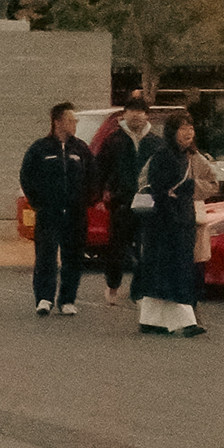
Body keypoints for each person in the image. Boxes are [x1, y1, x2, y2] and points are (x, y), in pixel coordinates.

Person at [20, 102, 93, 315]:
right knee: (46, 256)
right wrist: (39, 202)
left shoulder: (81, 149)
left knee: (73, 256)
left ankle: (67, 300)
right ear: (57, 122)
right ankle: (44, 298)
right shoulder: (39, 149)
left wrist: (85, 200)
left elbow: (93, 175)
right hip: (49, 213)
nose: (74, 124)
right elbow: (27, 176)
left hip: (75, 213)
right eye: (71, 120)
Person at [136, 111, 203, 337]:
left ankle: (150, 320)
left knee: (162, 273)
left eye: (191, 127)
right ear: (172, 132)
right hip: (165, 225)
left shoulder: (187, 156)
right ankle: (187, 322)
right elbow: (158, 189)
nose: (189, 132)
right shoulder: (163, 156)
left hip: (179, 222)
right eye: (183, 128)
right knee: (176, 272)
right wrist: (177, 198)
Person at [94, 92, 156, 307]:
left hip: (147, 204)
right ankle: (113, 284)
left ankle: (138, 292)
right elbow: (100, 170)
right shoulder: (114, 140)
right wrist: (99, 196)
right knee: (116, 249)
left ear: (147, 115)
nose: (136, 115)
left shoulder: (155, 142)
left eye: (140, 111)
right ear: (124, 114)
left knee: (144, 250)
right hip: (121, 203)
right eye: (132, 111)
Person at [189, 132, 222, 310]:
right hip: (169, 217)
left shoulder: (197, 158)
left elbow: (213, 184)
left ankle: (192, 303)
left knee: (196, 260)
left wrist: (191, 187)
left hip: (193, 217)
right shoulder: (161, 157)